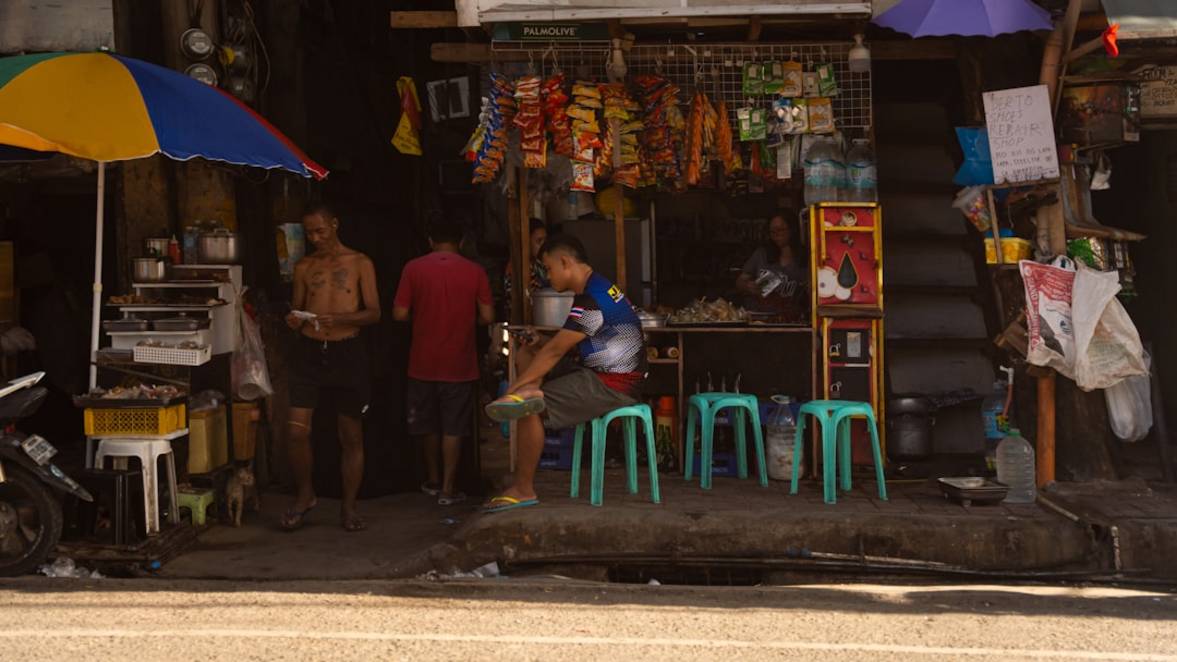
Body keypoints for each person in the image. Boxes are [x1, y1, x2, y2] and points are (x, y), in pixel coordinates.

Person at [482, 234, 647, 513]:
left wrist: (513, 390)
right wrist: (540, 345)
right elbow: (561, 347)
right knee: (528, 354)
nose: (548, 276)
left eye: (548, 269)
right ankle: (525, 395)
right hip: (603, 371)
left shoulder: (591, 299)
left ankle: (523, 489)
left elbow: (556, 352)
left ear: (564, 262)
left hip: (614, 384)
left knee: (527, 407)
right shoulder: (597, 287)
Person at [281, 203, 381, 532]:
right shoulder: (304, 266)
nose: (316, 238)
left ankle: (349, 507)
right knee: (297, 432)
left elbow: (373, 313)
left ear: (335, 224)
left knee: (350, 435)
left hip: (347, 350)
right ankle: (305, 494)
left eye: (321, 230)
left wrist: (339, 319)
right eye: (310, 233)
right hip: (310, 351)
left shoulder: (360, 262)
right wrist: (295, 320)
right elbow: (297, 310)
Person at [393, 217, 494, 506]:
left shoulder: (413, 268)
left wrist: (423, 317)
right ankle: (449, 489)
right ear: (461, 242)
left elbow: (399, 314)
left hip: (422, 362)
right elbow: (487, 317)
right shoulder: (475, 272)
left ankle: (434, 479)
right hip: (459, 363)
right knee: (454, 426)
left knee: (429, 424)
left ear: (430, 240)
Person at [735, 213, 809, 323]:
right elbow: (740, 281)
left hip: (790, 320)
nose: (776, 234)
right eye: (772, 231)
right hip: (759, 318)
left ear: (792, 230)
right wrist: (748, 286)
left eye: (780, 229)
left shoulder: (805, 257)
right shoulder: (761, 254)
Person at [503, 219, 549, 320]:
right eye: (539, 241)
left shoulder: (538, 264)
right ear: (525, 242)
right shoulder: (517, 268)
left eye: (545, 241)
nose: (543, 246)